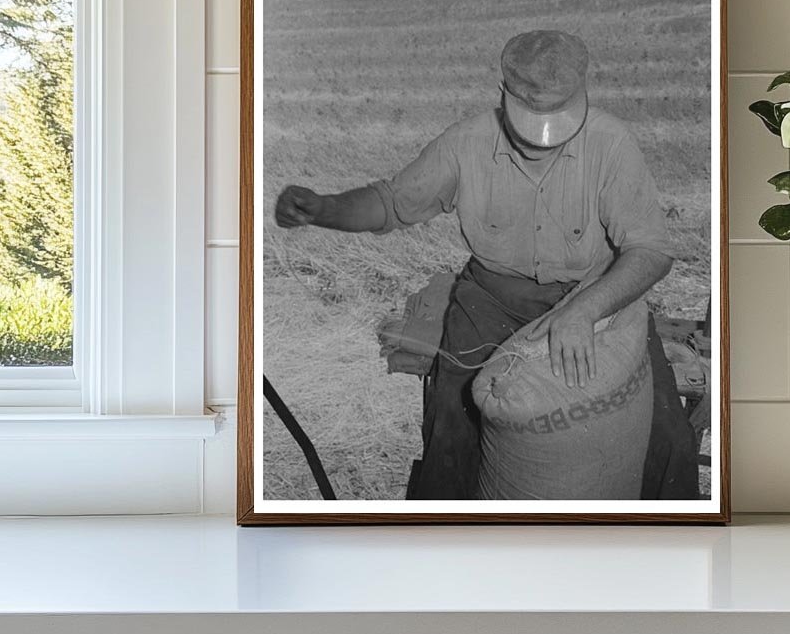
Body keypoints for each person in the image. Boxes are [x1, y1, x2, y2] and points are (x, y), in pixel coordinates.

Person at [275, 29, 699, 500]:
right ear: (504, 95)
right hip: (491, 301)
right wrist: (323, 209)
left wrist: (584, 312)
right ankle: (455, 554)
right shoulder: (466, 142)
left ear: (582, 97)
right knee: (454, 435)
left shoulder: (611, 144)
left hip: (593, 297)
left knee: (667, 439)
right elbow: (391, 203)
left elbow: (651, 251)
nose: (542, 140)